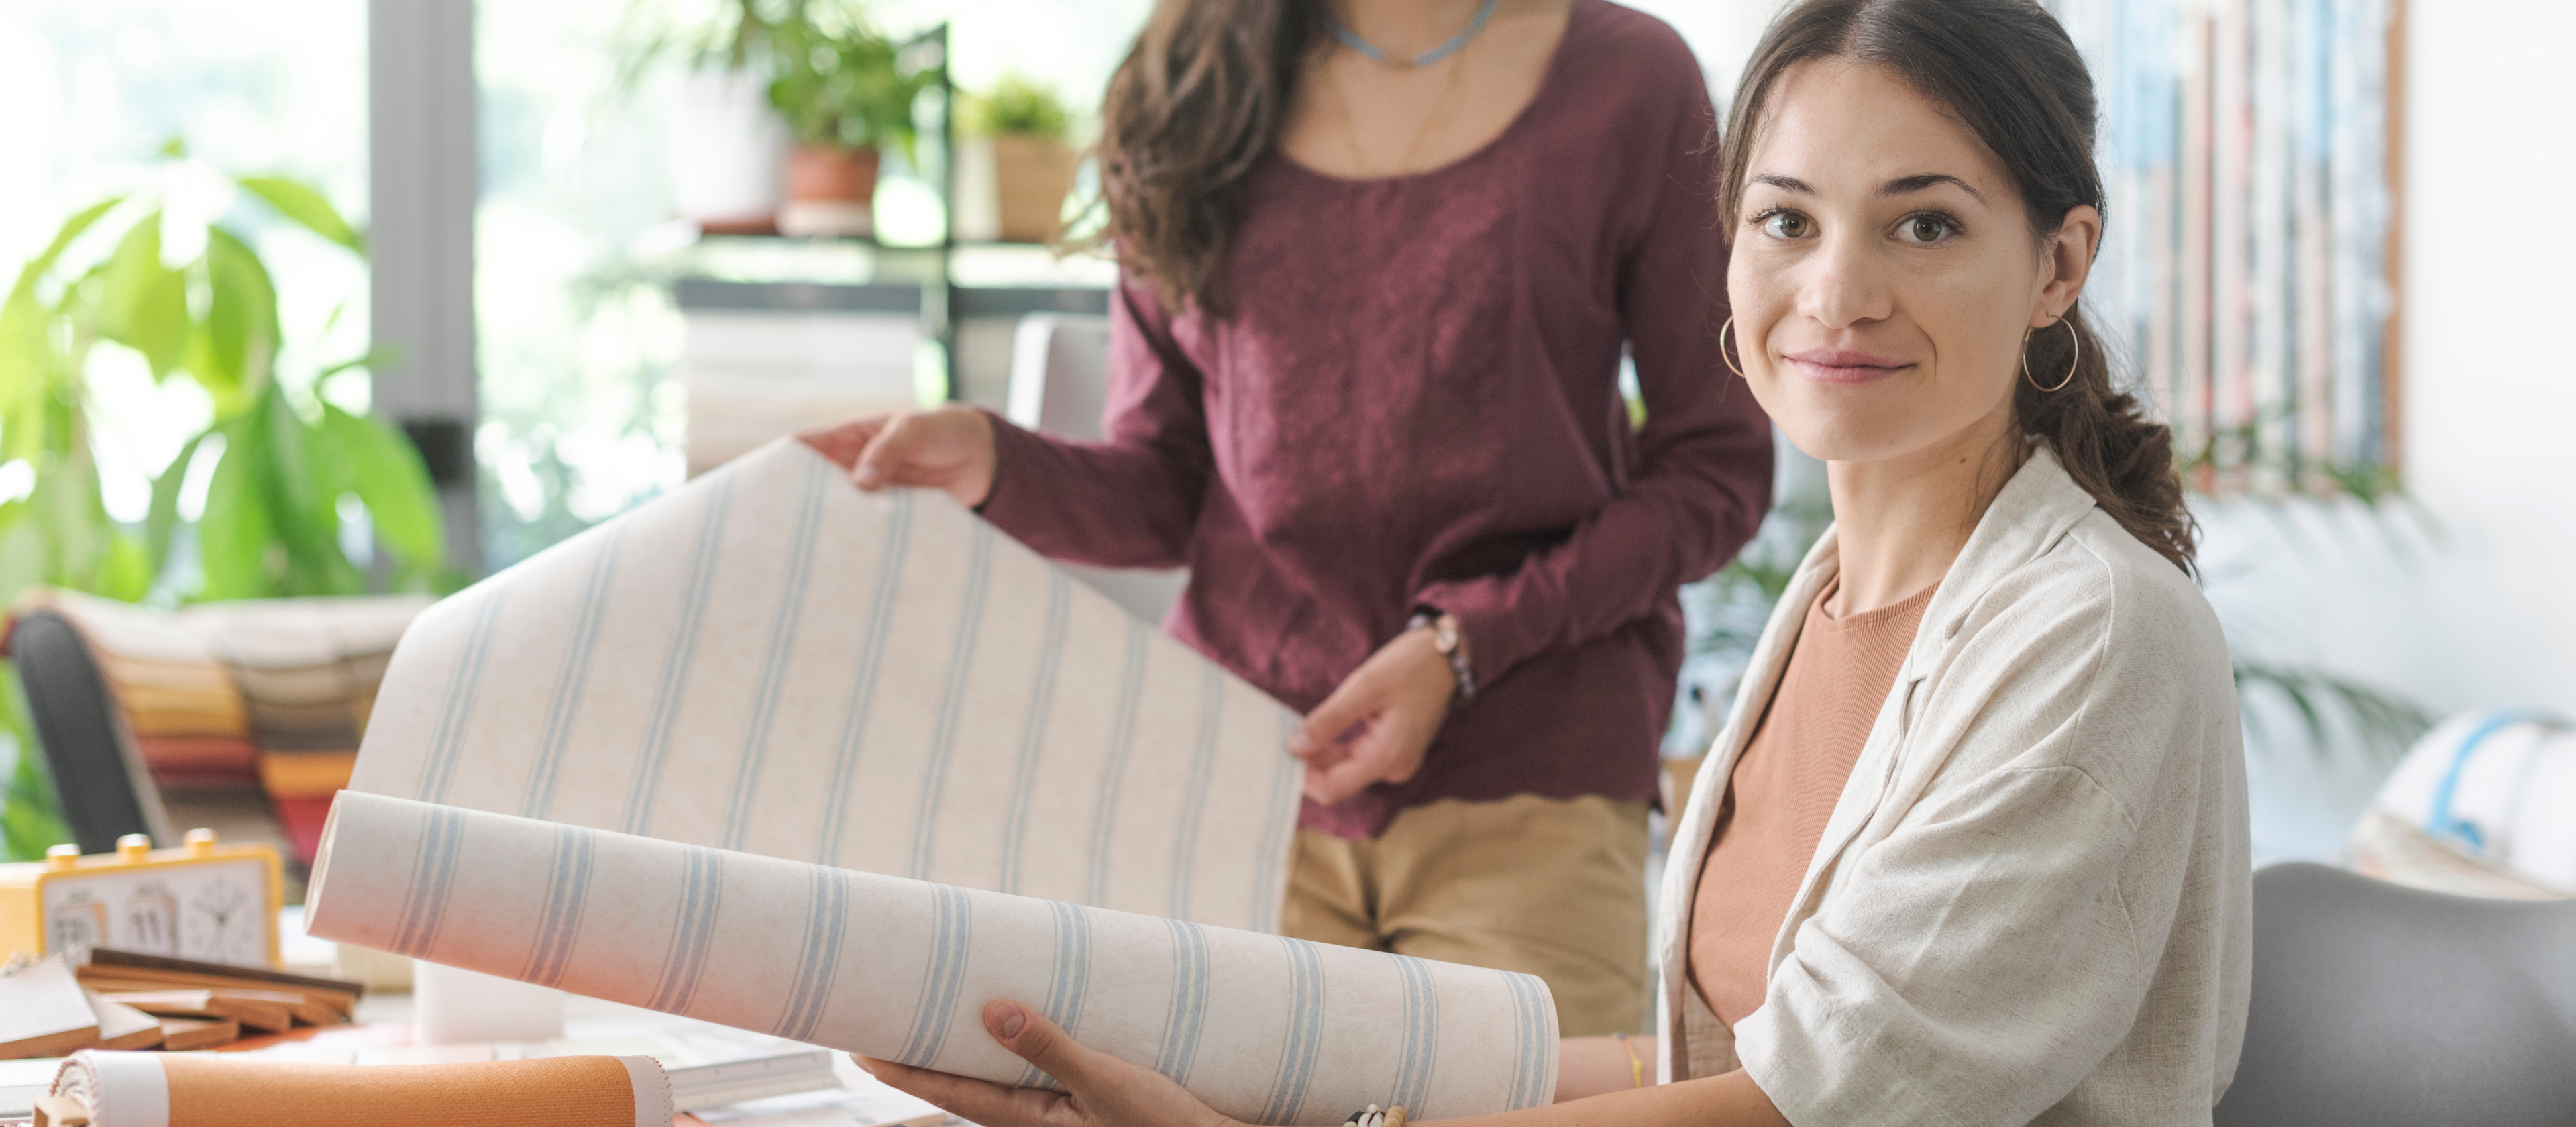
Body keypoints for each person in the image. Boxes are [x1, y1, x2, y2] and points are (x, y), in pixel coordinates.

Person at [848, 0, 2253, 1123]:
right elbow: (1700, 1061)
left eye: (1925, 222)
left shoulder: (2089, 635)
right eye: (1786, 222)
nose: (1837, 291)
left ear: (2060, 264)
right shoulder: (1834, 609)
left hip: (1528, 765)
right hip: (1247, 771)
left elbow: (1804, 1098)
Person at [802, 0, 1774, 1038]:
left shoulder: (1630, 75)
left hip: (1533, 784)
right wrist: (999, 466)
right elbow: (1169, 487)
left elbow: (1712, 470)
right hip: (1240, 785)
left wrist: (1463, 646)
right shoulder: (1182, 82)